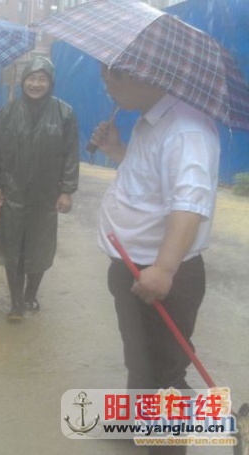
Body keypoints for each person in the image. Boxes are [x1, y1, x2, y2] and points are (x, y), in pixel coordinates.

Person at [90, 62, 220, 438]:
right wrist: (116, 149)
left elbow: (190, 203)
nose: (106, 84)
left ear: (144, 73)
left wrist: (164, 269)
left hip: (164, 276)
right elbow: (145, 181)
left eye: (111, 74)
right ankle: (139, 430)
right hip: (134, 267)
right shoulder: (151, 120)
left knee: (164, 376)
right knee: (141, 362)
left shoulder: (186, 129)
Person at [0, 56, 79, 321]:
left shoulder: (64, 114)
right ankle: (15, 303)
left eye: (42, 79)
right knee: (13, 249)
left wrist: (67, 190)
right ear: (23, 81)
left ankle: (30, 294)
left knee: (40, 248)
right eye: (31, 78)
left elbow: (70, 154)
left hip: (45, 196)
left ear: (51, 82)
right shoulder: (8, 114)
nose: (36, 84)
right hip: (12, 194)